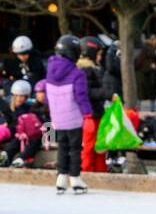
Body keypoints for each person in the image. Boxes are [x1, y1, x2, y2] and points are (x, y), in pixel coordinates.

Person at [44, 35, 94, 194]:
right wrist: (88, 115)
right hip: (73, 119)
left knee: (62, 148)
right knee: (75, 149)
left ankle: (61, 178)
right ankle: (75, 178)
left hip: (57, 119)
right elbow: (81, 97)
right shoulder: (77, 74)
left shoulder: (50, 72)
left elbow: (47, 97)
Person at [78, 37, 110, 175]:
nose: (100, 57)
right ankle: (87, 173)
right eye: (99, 54)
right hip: (89, 115)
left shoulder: (95, 69)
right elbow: (86, 92)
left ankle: (100, 173)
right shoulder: (84, 70)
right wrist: (104, 93)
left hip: (97, 113)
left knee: (99, 147)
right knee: (89, 147)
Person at [0, 79, 47, 167]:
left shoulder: (31, 107)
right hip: (18, 134)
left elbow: (42, 124)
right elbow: (11, 123)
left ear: (26, 97)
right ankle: (5, 156)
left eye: (22, 96)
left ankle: (21, 159)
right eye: (16, 96)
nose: (19, 99)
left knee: (33, 141)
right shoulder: (10, 107)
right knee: (16, 141)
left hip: (34, 134)